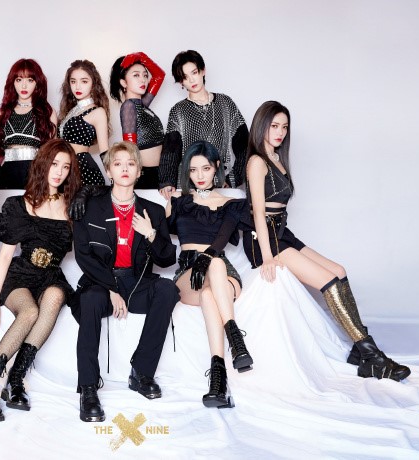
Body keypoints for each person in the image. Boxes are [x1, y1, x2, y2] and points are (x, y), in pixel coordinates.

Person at [242, 100, 410, 382]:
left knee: (339, 271)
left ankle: (358, 350)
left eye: (284, 127)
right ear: (261, 126)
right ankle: (373, 358)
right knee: (327, 281)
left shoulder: (278, 158)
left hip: (282, 233)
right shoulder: (257, 161)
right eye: (274, 126)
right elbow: (258, 212)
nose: (280, 132)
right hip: (265, 239)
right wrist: (267, 257)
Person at [70, 141, 179, 422]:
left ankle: (141, 373)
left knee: (167, 289)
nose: (124, 169)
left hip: (137, 282)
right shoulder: (90, 208)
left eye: (131, 164)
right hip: (101, 282)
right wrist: (110, 288)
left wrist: (151, 234)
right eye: (117, 164)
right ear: (108, 171)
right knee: (90, 299)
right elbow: (83, 255)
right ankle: (88, 388)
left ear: (139, 171)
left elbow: (168, 259)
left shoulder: (153, 211)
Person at [0, 139, 81, 423]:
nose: (59, 172)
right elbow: (5, 256)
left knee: (56, 296)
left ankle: (16, 379)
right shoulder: (19, 204)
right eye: (54, 164)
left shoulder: (72, 207)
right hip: (21, 275)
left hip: (50, 276)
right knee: (30, 312)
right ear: (43, 164)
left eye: (66, 167)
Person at [166, 141, 252, 409]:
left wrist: (208, 257)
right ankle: (237, 342)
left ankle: (218, 380)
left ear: (216, 167)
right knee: (205, 285)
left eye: (205, 168)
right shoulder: (179, 202)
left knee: (209, 287)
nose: (199, 176)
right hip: (188, 273)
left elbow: (242, 229)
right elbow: (161, 241)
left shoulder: (230, 204)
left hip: (222, 272)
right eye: (193, 170)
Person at [159, 50, 249, 199]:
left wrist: (233, 179)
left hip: (219, 185)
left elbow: (245, 146)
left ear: (203, 71)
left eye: (194, 72)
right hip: (188, 186)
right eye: (185, 77)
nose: (191, 80)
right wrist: (167, 181)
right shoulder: (178, 110)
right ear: (181, 82)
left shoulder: (225, 104)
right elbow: (171, 150)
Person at [0, 58, 57, 189]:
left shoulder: (47, 112)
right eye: (19, 80)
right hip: (6, 174)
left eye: (30, 80)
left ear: (37, 83)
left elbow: (53, 152)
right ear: (12, 82)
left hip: (36, 174)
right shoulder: (1, 113)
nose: (24, 86)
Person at [109, 52, 165, 189]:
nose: (143, 80)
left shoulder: (142, 105)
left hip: (158, 173)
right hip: (144, 175)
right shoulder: (129, 106)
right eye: (136, 75)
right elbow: (130, 146)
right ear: (123, 82)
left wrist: (141, 56)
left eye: (145, 75)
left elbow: (159, 76)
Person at [59, 59, 110, 186]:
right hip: (64, 168)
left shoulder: (98, 112)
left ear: (93, 84)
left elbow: (105, 151)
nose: (77, 87)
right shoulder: (70, 110)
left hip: (84, 170)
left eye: (84, 81)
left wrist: (115, 180)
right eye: (73, 81)